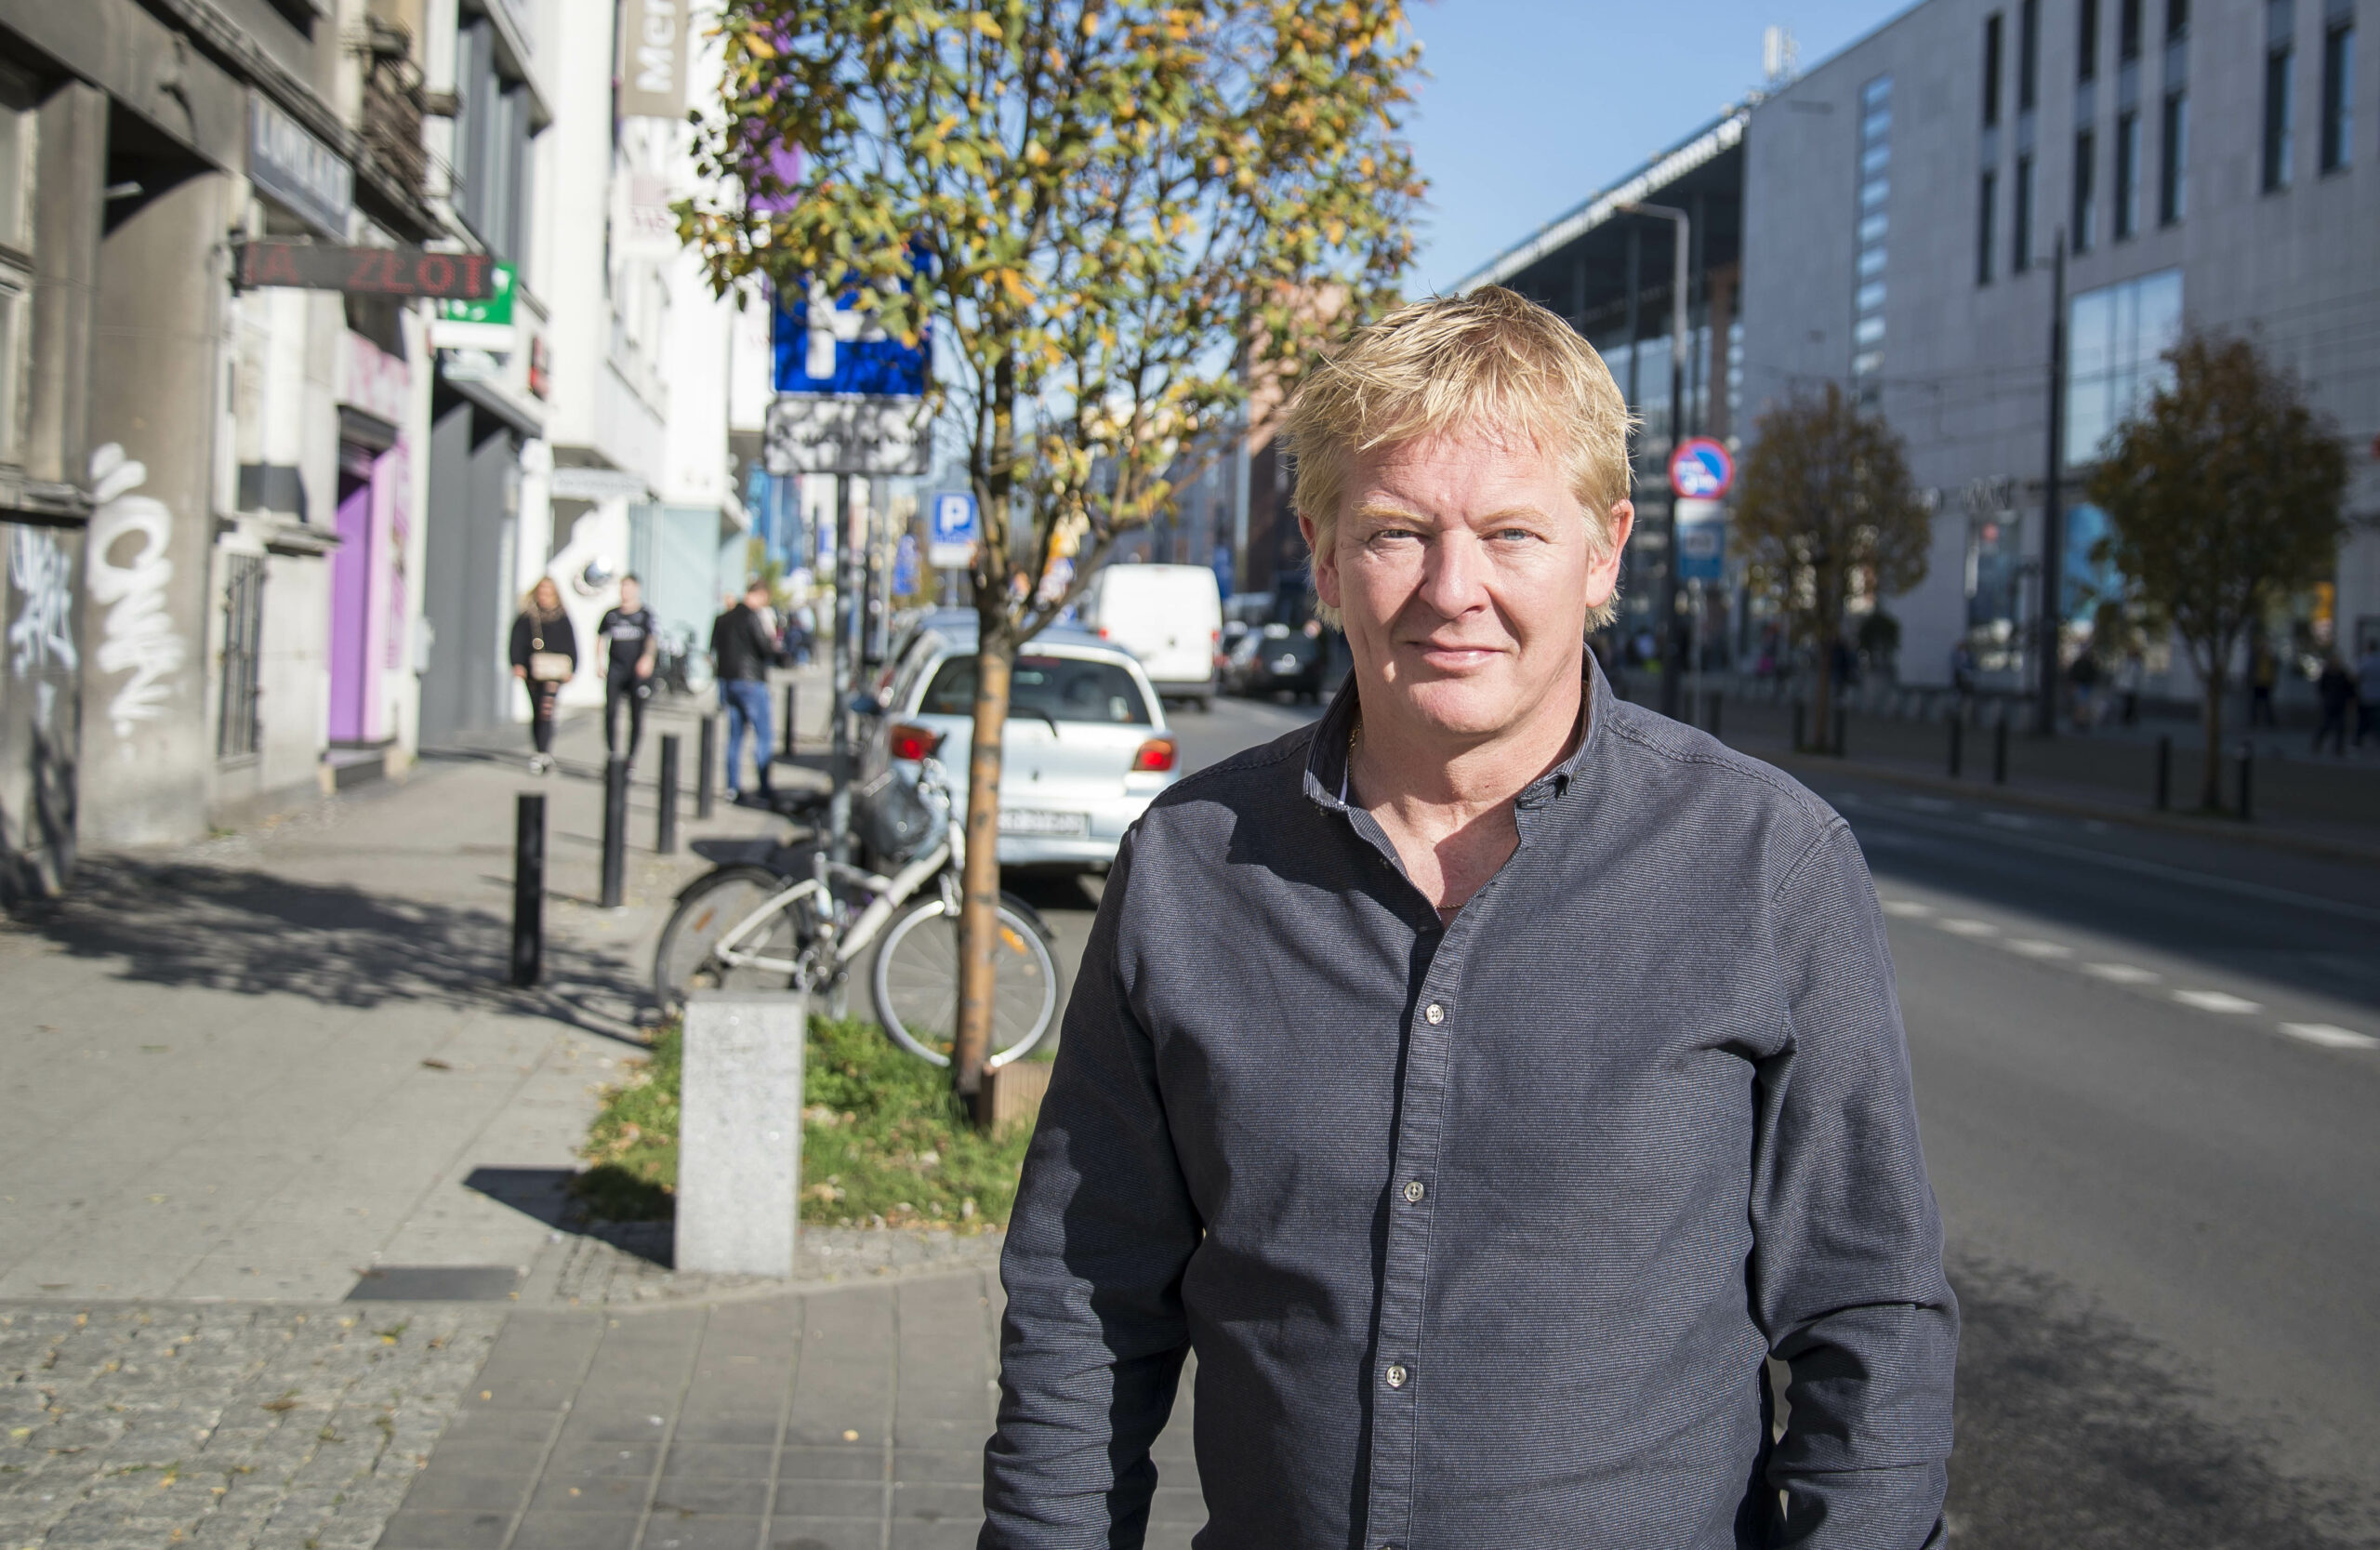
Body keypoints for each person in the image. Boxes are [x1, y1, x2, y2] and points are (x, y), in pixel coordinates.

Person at [984, 288, 1957, 1548]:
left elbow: (1868, 1311)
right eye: (1398, 531)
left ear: (1604, 552)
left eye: (1511, 532)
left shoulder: (1767, 862)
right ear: (1325, 555)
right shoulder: (1189, 866)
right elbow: (1085, 1290)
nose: (1455, 589)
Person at [710, 579, 788, 801]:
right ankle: (764, 787)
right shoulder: (752, 617)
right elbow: (766, 648)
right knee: (763, 735)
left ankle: (732, 787)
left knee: (734, 736)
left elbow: (715, 647)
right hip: (751, 681)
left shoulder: (723, 617)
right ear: (761, 594)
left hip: (728, 681)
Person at [508, 576, 577, 775]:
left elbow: (571, 644)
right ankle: (538, 749)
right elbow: (516, 642)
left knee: (547, 710)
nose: (545, 595)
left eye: (549, 592)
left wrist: (572, 667)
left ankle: (544, 752)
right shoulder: (527, 617)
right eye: (542, 591)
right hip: (533, 670)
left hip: (554, 673)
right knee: (537, 711)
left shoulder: (561, 617)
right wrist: (517, 664)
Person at [597, 575, 658, 762]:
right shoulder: (612, 615)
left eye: (629, 587)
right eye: (623, 587)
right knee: (610, 712)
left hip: (637, 672)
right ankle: (612, 754)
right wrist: (599, 662)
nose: (625, 591)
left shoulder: (645, 614)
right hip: (616, 669)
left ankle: (631, 758)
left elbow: (652, 639)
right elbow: (600, 638)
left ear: (637, 589)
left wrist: (647, 659)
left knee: (636, 715)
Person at [2313, 655, 2354, 756]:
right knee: (2326, 725)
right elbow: (2321, 688)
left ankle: (2338, 748)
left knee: (2340, 727)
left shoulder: (2342, 674)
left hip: (2339, 703)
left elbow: (2349, 689)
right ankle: (2317, 743)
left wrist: (2350, 700)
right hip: (2330, 703)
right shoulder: (2327, 674)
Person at [2356, 641, 2380, 748]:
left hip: (2365, 695)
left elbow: (2358, 676)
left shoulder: (2365, 661)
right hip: (2377, 696)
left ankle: (2358, 739)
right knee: (2376, 719)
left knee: (2363, 719)